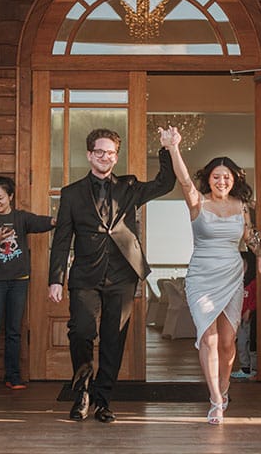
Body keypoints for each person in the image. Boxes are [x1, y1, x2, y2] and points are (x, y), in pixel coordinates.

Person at [49, 127, 175, 423]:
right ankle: (81, 392)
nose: (106, 157)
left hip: (123, 275)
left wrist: (167, 150)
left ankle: (103, 401)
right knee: (80, 331)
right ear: (90, 154)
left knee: (113, 340)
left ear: (116, 157)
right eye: (100, 152)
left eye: (111, 153)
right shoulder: (71, 193)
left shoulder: (130, 186)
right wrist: (56, 278)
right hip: (85, 276)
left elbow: (166, 183)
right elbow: (62, 240)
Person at [163, 127, 261, 424]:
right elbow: (184, 180)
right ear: (208, 178)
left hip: (232, 275)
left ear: (234, 179)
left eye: (227, 177)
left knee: (227, 342)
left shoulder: (242, 207)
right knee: (208, 339)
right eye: (216, 176)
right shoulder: (198, 202)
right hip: (201, 277)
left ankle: (224, 387)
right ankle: (214, 400)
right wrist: (174, 148)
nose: (221, 181)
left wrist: (260, 257)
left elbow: (250, 237)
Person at [0, 176, 54, 390]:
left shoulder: (21, 218)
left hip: (19, 280)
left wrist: (57, 220)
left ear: (10, 196)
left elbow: (40, 222)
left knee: (14, 330)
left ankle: (13, 376)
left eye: (0, 197)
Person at [231, 251, 258, 380]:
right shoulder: (237, 281)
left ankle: (254, 370)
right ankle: (245, 368)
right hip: (239, 318)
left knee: (251, 343)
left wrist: (249, 310)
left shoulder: (253, 282)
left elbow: (257, 299)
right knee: (241, 343)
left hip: (250, 318)